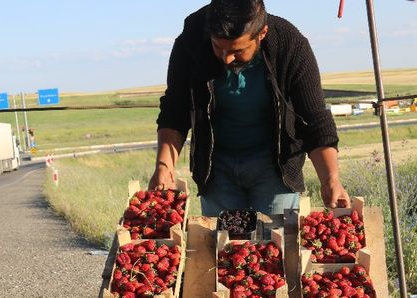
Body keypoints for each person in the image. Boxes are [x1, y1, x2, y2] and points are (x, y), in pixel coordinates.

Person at [149, 0, 349, 216]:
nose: (227, 58)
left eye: (237, 51)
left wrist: (330, 179)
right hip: (217, 167)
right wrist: (164, 166)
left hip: (275, 166)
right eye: (218, 47)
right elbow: (175, 110)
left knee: (277, 235)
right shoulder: (191, 42)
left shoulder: (290, 43)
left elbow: (314, 118)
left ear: (262, 33)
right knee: (223, 237)